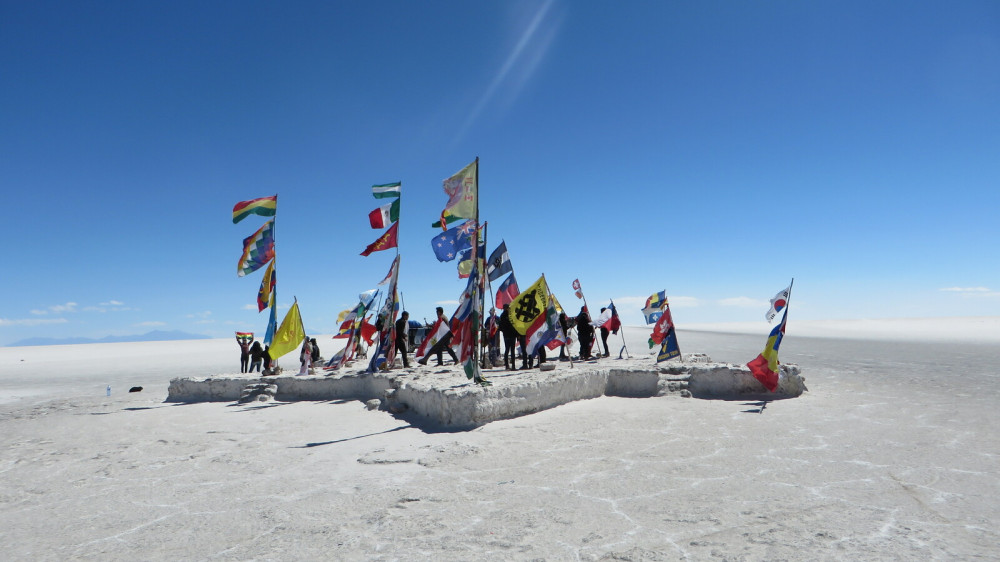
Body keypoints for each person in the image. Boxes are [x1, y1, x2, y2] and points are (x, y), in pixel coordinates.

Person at [498, 304, 518, 370]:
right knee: (511, 350)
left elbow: (500, 327)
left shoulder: (502, 316)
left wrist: (504, 331)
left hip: (507, 335)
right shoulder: (510, 315)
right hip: (511, 335)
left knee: (508, 350)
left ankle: (508, 365)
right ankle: (512, 366)